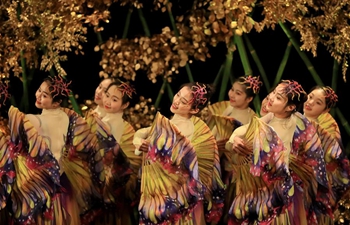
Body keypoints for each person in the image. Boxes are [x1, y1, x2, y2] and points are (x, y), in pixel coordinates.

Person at [227, 80, 331, 224]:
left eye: (278, 98)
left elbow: (314, 158)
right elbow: (243, 130)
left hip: (289, 188)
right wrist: (235, 139)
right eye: (274, 93)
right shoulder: (265, 122)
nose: (271, 98)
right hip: (264, 186)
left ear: (290, 107)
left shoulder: (302, 124)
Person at [7, 76, 106, 224]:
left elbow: (15, 145)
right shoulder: (68, 116)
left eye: (45, 95)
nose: (39, 96)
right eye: (39, 90)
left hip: (42, 186)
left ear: (57, 102)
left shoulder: (31, 120)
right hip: (64, 180)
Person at [133, 82, 225, 224]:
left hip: (183, 197)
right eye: (177, 95)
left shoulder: (198, 132)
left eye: (183, 101)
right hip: (159, 192)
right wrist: (138, 140)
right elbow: (142, 132)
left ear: (194, 109)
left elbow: (191, 164)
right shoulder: (166, 124)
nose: (176, 101)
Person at [84, 80, 142, 225]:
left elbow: (122, 161)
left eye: (114, 99)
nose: (108, 101)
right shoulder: (96, 118)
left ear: (125, 105)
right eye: (107, 95)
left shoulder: (119, 127)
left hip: (107, 186)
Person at [209, 75, 263, 224]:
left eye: (238, 93)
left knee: (228, 209)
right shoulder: (226, 109)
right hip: (218, 164)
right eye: (232, 90)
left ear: (249, 99)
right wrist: (214, 144)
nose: (232, 94)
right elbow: (214, 131)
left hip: (235, 171)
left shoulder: (252, 118)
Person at [304, 86, 350, 224]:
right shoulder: (295, 116)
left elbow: (331, 158)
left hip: (319, 182)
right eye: (310, 96)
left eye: (318, 102)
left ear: (326, 110)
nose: (310, 102)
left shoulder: (328, 128)